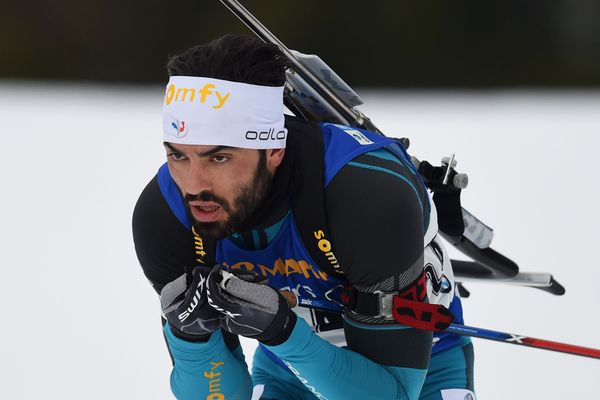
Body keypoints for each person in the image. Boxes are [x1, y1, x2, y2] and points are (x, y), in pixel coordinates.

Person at [132, 34, 476, 400]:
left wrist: (283, 331)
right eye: (178, 156)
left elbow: (392, 394)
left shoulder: (367, 200)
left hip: (418, 368)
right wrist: (192, 339)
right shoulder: (165, 216)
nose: (193, 185)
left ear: (274, 149)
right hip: (290, 370)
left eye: (219, 158)